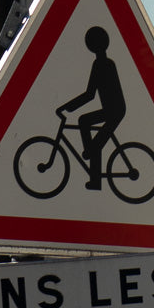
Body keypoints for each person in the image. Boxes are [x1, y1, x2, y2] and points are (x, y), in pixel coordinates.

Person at [58, 26, 126, 190]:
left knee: (93, 142)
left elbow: (90, 95)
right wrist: (68, 107)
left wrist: (67, 107)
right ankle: (91, 162)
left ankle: (94, 176)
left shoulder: (104, 64)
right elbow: (91, 94)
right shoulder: (102, 63)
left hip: (115, 111)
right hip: (111, 109)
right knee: (85, 122)